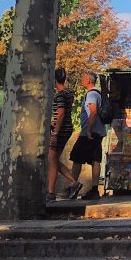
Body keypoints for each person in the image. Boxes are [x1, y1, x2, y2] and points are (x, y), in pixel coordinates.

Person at [69, 71, 106, 200]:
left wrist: (88, 130)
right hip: (98, 131)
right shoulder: (98, 93)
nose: (81, 80)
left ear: (89, 80)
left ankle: (73, 185)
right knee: (95, 159)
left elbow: (93, 112)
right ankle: (95, 189)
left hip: (90, 133)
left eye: (83, 78)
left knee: (77, 157)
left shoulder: (91, 94)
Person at [46, 67, 77, 201]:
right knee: (54, 159)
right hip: (67, 128)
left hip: (61, 129)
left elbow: (61, 114)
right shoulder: (68, 93)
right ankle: (71, 183)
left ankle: (52, 191)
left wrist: (55, 133)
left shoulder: (60, 95)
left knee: (52, 158)